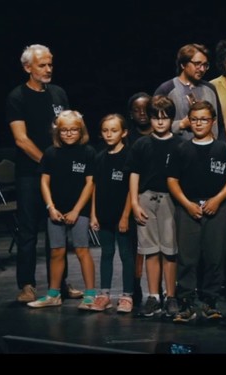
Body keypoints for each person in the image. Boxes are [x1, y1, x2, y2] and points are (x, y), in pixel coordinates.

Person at [6, 44, 81, 303]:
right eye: (42, 65)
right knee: (28, 230)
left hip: (56, 175)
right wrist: (48, 164)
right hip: (30, 174)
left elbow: (70, 129)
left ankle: (58, 284)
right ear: (28, 67)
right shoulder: (17, 97)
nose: (48, 69)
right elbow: (21, 140)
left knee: (57, 229)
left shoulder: (58, 93)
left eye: (50, 64)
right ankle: (26, 285)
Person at [167, 101, 226, 322]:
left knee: (214, 257)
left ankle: (210, 301)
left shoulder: (223, 149)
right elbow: (172, 181)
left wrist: (217, 200)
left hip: (216, 207)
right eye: (195, 119)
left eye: (204, 119)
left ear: (213, 121)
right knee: (187, 257)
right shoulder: (181, 149)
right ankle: (186, 303)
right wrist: (186, 204)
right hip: (188, 207)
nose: (199, 123)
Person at [28, 111, 97, 309]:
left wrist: (76, 210)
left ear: (80, 130)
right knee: (57, 251)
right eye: (64, 130)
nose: (68, 134)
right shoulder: (50, 153)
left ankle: (90, 294)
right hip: (56, 210)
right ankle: (53, 294)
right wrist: (50, 207)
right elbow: (44, 181)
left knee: (82, 250)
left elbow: (90, 183)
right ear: (58, 131)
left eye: (73, 130)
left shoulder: (88, 152)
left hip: (79, 210)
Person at [126, 95, 182, 318]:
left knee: (170, 251)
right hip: (146, 200)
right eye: (155, 118)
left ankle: (171, 295)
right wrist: (133, 202)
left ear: (171, 119)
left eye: (165, 118)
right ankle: (153, 296)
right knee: (150, 251)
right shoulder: (141, 144)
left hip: (171, 200)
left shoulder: (179, 144)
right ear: (149, 119)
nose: (160, 122)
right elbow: (134, 174)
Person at [89, 114, 135, 313]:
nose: (109, 134)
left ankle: (127, 296)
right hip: (103, 214)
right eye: (105, 130)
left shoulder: (129, 156)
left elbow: (130, 190)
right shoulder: (99, 157)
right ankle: (104, 294)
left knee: (126, 254)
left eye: (114, 130)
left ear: (124, 132)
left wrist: (125, 216)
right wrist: (93, 215)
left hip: (123, 216)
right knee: (106, 253)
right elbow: (95, 187)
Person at [155, 44, 224, 141]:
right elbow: (155, 123)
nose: (202, 69)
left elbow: (220, 125)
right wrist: (181, 124)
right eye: (197, 64)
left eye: (205, 65)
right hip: (178, 150)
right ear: (183, 64)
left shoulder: (210, 89)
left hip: (209, 149)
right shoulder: (167, 89)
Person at [126, 92, 152, 307]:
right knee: (136, 248)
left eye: (146, 108)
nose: (142, 113)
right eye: (137, 109)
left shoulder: (161, 134)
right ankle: (135, 286)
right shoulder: (127, 139)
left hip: (159, 198)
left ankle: (162, 290)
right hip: (134, 197)